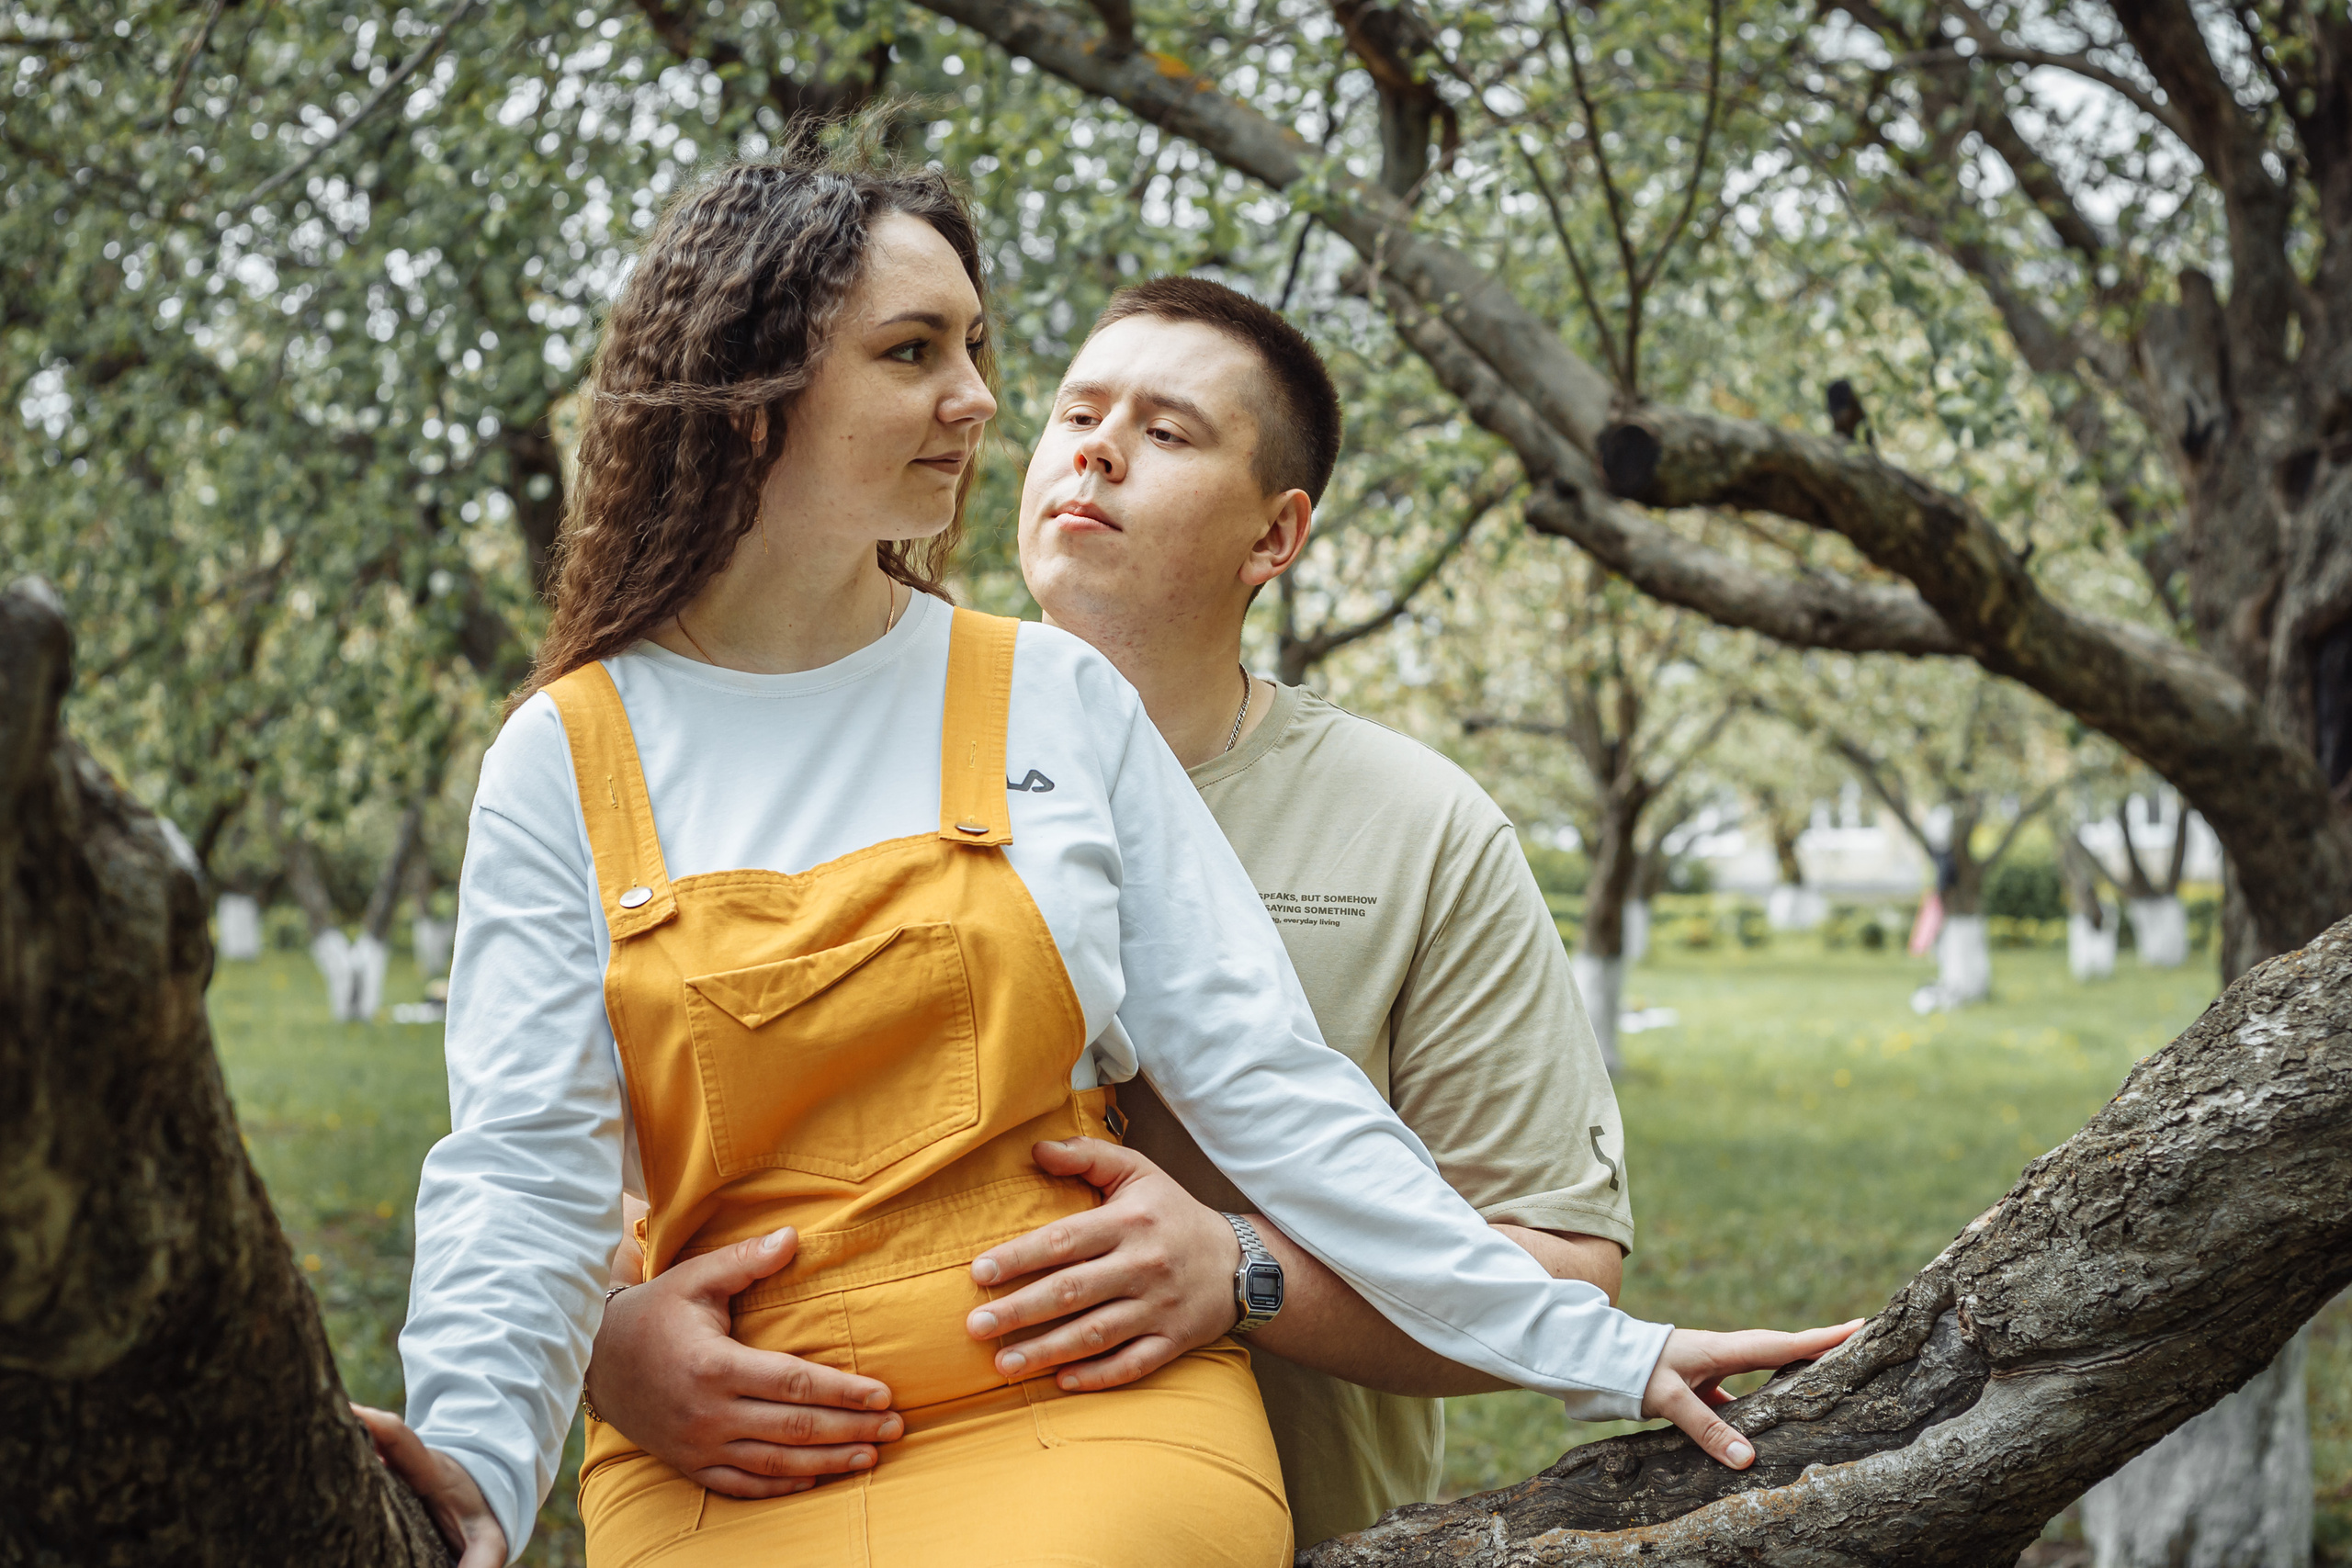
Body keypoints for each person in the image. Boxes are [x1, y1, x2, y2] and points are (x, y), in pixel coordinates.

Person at [362, 145, 1857, 1568]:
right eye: (914, 353)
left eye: (976, 348)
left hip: (1083, 1429)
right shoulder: (567, 754)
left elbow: (1272, 1085)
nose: (980, 403)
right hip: (743, 1465)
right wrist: (482, 1472)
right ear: (753, 399)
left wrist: (1609, 1350)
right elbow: (522, 1173)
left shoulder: (1047, 698)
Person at [583, 279, 1657, 1551]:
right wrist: (604, 1340)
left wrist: (1242, 1274)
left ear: (1275, 538)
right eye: (1077, 413)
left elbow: (1564, 1266)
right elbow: (594, 1127)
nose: (1095, 447)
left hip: (1289, 1528)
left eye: (1168, 432)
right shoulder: (803, 740)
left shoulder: (1418, 828)